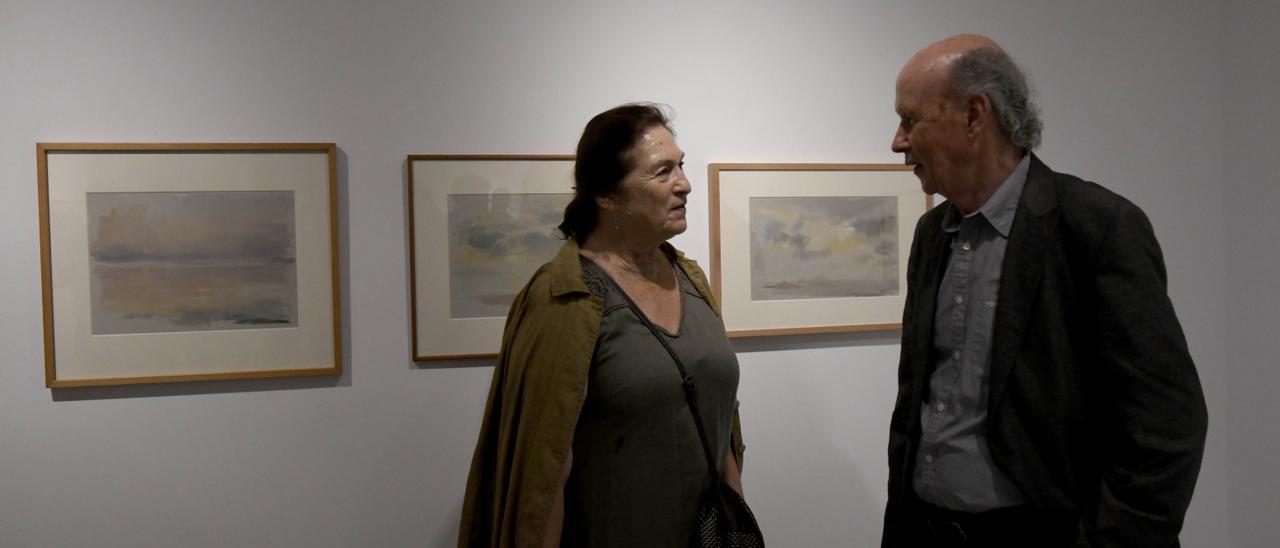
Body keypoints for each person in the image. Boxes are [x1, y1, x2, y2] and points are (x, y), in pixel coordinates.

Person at [882, 34, 1208, 547]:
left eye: (911, 120)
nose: (898, 141)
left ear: (974, 115)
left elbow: (1166, 428)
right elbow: (913, 406)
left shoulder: (1098, 228)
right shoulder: (932, 235)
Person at [458, 103, 748, 547]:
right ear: (606, 194)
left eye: (681, 166)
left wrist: (736, 527)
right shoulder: (565, 297)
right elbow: (546, 467)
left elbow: (719, 418)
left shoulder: (690, 279)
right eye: (662, 171)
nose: (685, 185)